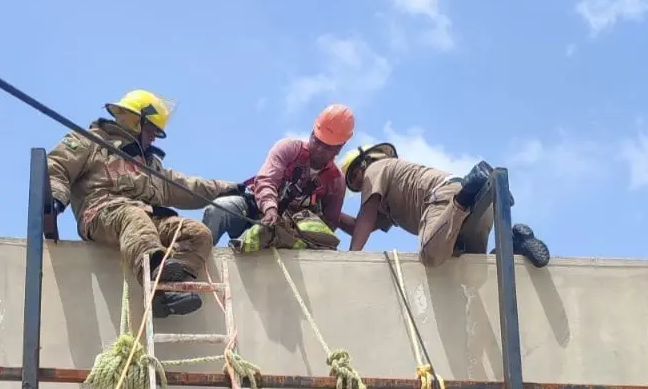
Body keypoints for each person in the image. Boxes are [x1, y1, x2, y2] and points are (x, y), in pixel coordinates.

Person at [47, 89, 243, 317]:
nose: (154, 137)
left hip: (146, 218)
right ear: (134, 121)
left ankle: (168, 293)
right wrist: (55, 197)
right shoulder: (90, 141)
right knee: (134, 216)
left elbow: (187, 186)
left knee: (197, 233)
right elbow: (58, 165)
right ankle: (157, 285)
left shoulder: (150, 166)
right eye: (151, 130)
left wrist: (228, 188)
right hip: (101, 212)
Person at [338, 143, 550, 268]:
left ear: (364, 163)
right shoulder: (388, 199)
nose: (358, 186)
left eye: (354, 177)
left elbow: (365, 216)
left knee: (430, 256)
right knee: (471, 270)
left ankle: (469, 190)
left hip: (451, 197)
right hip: (470, 210)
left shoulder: (377, 169)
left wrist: (351, 261)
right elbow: (362, 227)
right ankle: (512, 245)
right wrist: (330, 215)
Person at [202, 104, 355, 244]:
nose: (320, 149)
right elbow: (266, 180)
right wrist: (270, 209)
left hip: (290, 233)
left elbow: (329, 223)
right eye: (317, 141)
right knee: (218, 209)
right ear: (311, 133)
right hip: (254, 210)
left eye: (328, 147)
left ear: (340, 147)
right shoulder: (289, 149)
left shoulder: (335, 182)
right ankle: (198, 262)